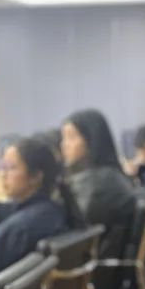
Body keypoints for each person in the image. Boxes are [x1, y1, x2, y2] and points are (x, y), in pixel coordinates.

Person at [0, 136, 76, 289]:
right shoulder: (61, 210)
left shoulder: (10, 232)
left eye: (11, 168)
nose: (3, 174)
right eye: (2, 167)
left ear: (35, 177)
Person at [60, 109, 136, 264]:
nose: (64, 145)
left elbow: (78, 232)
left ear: (91, 140)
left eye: (71, 137)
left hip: (95, 268)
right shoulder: (109, 175)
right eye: (63, 138)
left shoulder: (98, 186)